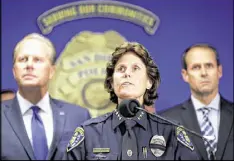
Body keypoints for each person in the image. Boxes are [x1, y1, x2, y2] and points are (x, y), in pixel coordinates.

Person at [63, 42, 200, 160]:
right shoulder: (89, 133)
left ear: (149, 82)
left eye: (136, 68)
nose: (127, 73)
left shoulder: (170, 132)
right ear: (111, 82)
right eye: (121, 69)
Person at [1, 33, 91, 160]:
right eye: (23, 59)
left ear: (52, 71)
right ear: (14, 71)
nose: (29, 65)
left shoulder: (78, 116)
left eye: (37, 60)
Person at [159, 44, 233, 160]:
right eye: (196, 67)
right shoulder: (166, 122)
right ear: (185, 75)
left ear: (219, 71)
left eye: (209, 66)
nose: (204, 73)